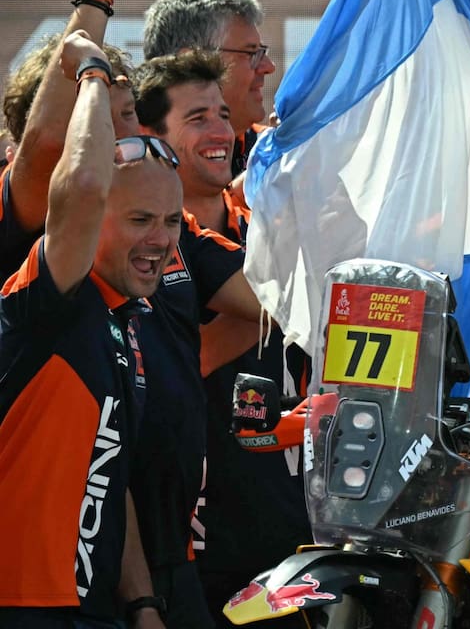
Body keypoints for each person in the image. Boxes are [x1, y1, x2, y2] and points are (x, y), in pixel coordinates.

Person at [0, 29, 174, 629]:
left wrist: (142, 602)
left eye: (171, 221)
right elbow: (82, 186)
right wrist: (93, 70)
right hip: (20, 606)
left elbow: (106, 469)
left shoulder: (126, 318)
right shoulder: (48, 298)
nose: (161, 240)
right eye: (140, 220)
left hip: (92, 612)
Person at [134, 54, 310, 626]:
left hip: (289, 532)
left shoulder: (251, 230)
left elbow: (282, 305)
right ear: (150, 138)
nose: (219, 131)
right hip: (198, 544)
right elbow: (179, 366)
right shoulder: (145, 244)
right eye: (196, 117)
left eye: (222, 114)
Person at [0, 0, 141, 281]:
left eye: (127, 113)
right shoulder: (30, 206)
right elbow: (47, 140)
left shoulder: (166, 220)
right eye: (94, 114)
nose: (117, 132)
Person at [142, 0, 277, 177]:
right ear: (191, 62)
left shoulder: (272, 150)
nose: (268, 67)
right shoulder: (128, 161)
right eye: (251, 53)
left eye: (262, 52)